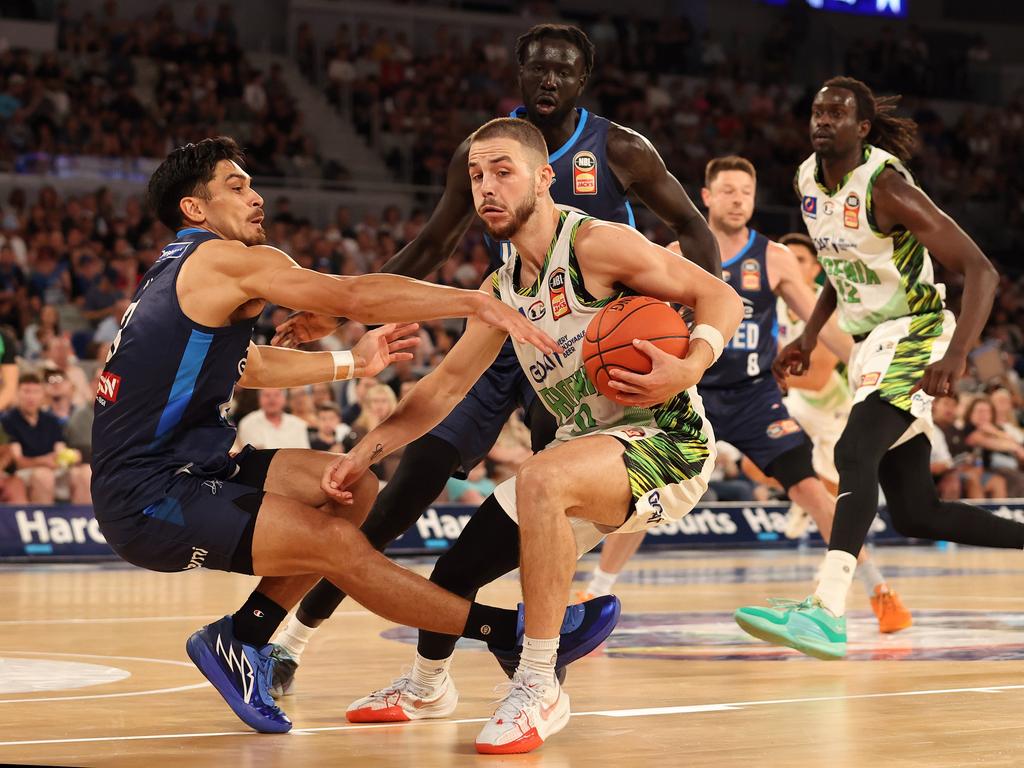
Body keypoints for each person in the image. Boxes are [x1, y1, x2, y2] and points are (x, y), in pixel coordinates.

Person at [90, 136, 617, 735]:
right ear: (196, 209)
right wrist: (477, 302)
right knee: (337, 548)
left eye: (251, 183)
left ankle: (243, 638)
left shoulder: (180, 268)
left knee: (349, 488)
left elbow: (250, 366)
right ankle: (513, 633)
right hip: (149, 495)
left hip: (194, 464)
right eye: (236, 188)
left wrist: (352, 366)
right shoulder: (226, 259)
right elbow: (353, 296)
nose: (256, 197)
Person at [270, 21, 721, 687]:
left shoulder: (620, 148)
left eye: (562, 70)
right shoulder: (486, 153)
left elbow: (691, 229)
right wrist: (343, 309)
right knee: (403, 488)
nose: (548, 79)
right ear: (518, 72)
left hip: (586, 351)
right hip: (506, 330)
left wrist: (684, 331)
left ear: (582, 80)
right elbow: (429, 249)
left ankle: (537, 678)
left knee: (549, 507)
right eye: (536, 67)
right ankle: (294, 641)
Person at [318, 118, 741, 754]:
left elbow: (720, 298)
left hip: (665, 440)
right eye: (476, 176)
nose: (486, 187)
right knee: (452, 571)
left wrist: (692, 363)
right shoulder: (502, 289)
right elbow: (440, 390)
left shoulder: (598, 245)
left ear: (545, 179)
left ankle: (539, 685)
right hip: (583, 449)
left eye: (502, 172)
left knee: (540, 477)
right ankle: (428, 685)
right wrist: (362, 452)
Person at [735, 76, 1024, 659]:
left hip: (915, 331)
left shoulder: (886, 187)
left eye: (837, 113)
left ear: (862, 128)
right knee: (917, 512)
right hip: (871, 341)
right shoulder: (805, 180)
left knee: (853, 452)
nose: (822, 120)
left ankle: (827, 609)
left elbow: (982, 270)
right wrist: (811, 335)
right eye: (817, 110)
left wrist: (958, 352)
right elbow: (841, 272)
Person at [575, 157, 910, 634]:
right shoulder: (675, 252)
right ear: (706, 197)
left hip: (754, 395)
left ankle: (878, 588)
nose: (738, 200)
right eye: (728, 191)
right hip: (690, 389)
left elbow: (823, 322)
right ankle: (597, 588)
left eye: (746, 193)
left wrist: (867, 366)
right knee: (648, 491)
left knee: (811, 489)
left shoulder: (775, 257)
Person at [3, 372, 90, 504]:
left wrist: (69, 457)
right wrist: (42, 461)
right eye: (26, 391)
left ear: (43, 395)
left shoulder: (51, 420)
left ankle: (82, 521)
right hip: (25, 472)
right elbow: (18, 461)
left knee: (85, 472)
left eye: (35, 392)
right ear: (17, 393)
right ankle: (42, 521)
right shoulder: (8, 420)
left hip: (53, 468)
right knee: (44, 476)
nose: (30, 397)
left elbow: (60, 450)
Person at [232, 387, 311, 450]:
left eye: (277, 395)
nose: (272, 399)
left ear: (285, 399)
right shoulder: (248, 423)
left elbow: (304, 455)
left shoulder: (298, 424)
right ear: (259, 398)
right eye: (267, 395)